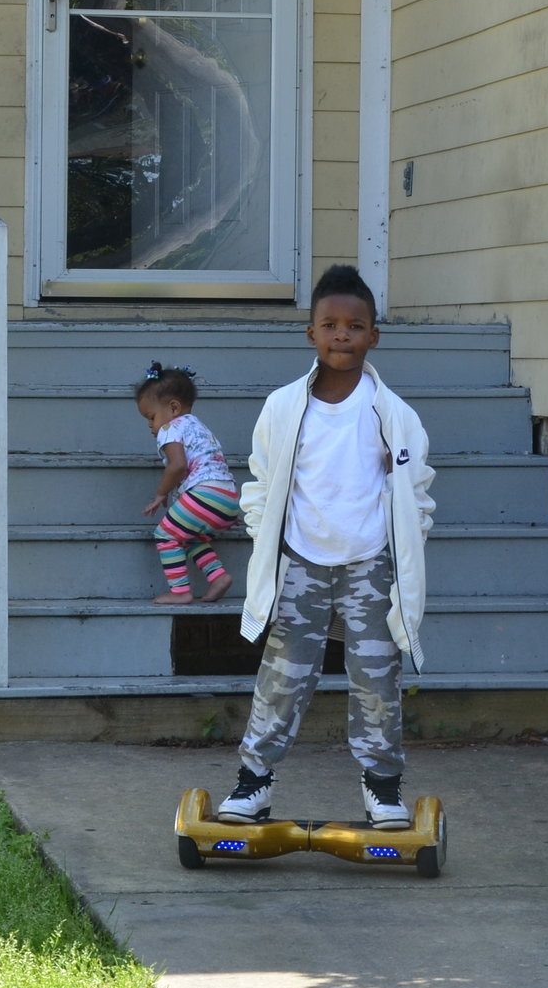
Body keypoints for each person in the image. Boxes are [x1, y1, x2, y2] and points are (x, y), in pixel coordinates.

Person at [217, 264, 434, 831]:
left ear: (373, 336)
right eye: (330, 325)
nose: (343, 335)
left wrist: (403, 546)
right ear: (310, 333)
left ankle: (383, 789)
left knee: (377, 677)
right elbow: (261, 485)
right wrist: (267, 538)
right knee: (283, 675)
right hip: (302, 563)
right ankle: (253, 784)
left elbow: (419, 496)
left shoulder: (395, 416)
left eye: (355, 326)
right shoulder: (285, 408)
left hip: (369, 566)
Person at [134, 363, 240, 606]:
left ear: (173, 408)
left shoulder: (171, 428)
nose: (151, 425)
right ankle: (218, 576)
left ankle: (180, 590)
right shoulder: (199, 427)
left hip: (205, 495)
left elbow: (177, 466)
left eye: (151, 417)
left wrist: (161, 494)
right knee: (189, 536)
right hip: (227, 497)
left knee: (165, 534)